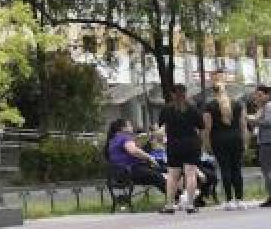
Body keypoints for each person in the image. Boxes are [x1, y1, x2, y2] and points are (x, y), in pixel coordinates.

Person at [158, 84, 204, 214]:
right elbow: (201, 127)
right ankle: (190, 205)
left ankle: (169, 205)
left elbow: (160, 127)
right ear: (185, 93)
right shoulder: (193, 109)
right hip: (191, 144)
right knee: (191, 174)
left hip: (173, 144)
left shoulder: (166, 109)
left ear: (172, 94)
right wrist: (200, 143)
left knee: (172, 176)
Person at [203, 82, 247, 209]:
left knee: (225, 169)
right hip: (236, 138)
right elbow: (243, 125)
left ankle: (229, 201)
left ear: (213, 92)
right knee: (237, 169)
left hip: (219, 140)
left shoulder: (210, 106)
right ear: (226, 90)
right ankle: (240, 200)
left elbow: (207, 128)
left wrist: (207, 144)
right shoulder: (237, 104)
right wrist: (244, 142)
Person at [104, 119, 166, 192]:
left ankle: (173, 195)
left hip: (120, 174)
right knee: (158, 176)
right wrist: (149, 157)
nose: (132, 127)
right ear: (123, 128)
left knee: (159, 174)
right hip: (130, 171)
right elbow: (134, 151)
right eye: (130, 125)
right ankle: (175, 195)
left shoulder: (113, 140)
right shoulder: (124, 137)